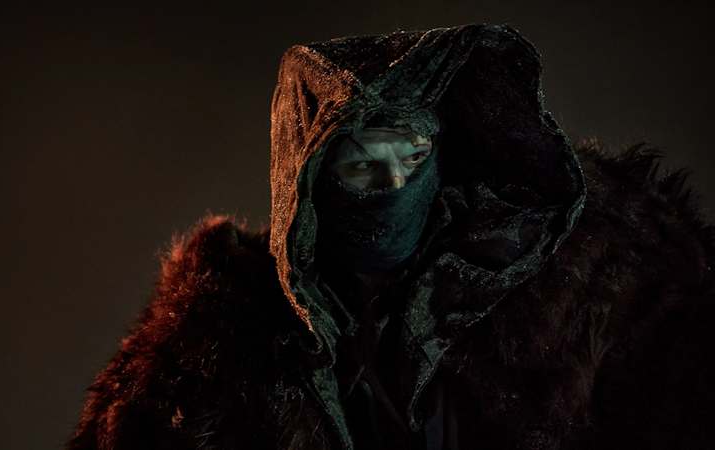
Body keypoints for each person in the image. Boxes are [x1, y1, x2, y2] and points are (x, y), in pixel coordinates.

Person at [68, 24, 715, 449]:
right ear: (311, 179)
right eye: (361, 165)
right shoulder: (220, 348)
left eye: (413, 157)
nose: (392, 183)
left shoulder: (564, 289)